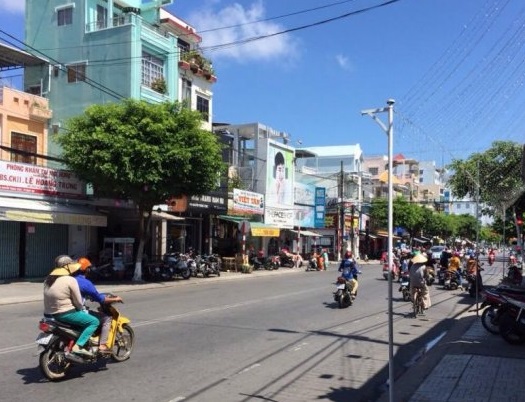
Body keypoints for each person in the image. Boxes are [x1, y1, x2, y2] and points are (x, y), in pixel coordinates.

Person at [43, 255, 100, 357]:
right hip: (66, 314)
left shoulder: (48, 280)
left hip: (50, 315)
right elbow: (78, 302)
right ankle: (79, 346)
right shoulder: (70, 280)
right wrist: (80, 309)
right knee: (94, 321)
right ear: (67, 267)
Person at [75, 257, 122, 354]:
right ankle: (102, 345)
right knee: (106, 318)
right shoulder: (85, 283)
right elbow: (100, 298)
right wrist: (115, 299)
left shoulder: (70, 279)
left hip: (65, 310)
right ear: (87, 270)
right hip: (77, 312)